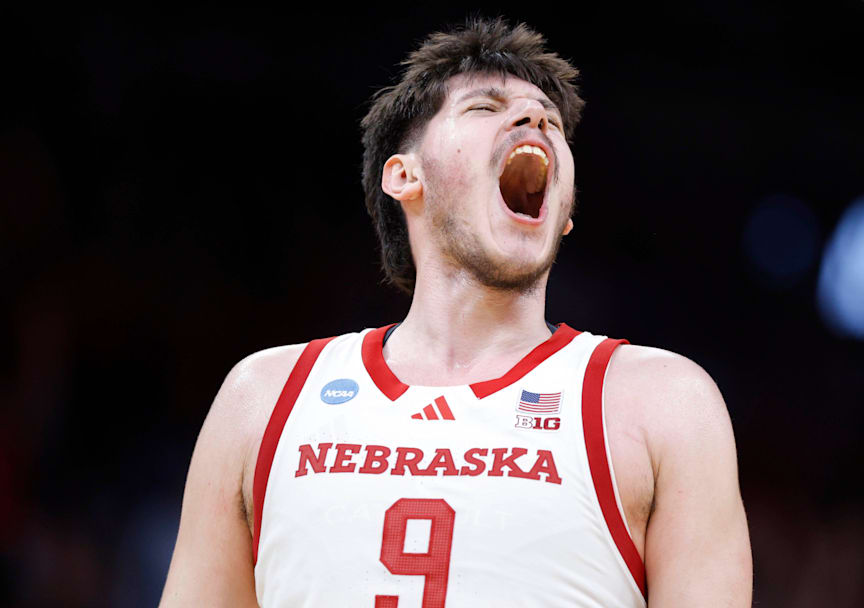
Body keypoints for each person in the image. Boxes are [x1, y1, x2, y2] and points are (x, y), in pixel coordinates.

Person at [160, 17, 751, 607]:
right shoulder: (262, 399)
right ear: (405, 175)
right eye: (483, 108)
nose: (534, 121)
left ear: (564, 212)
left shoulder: (663, 404)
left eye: (548, 117)